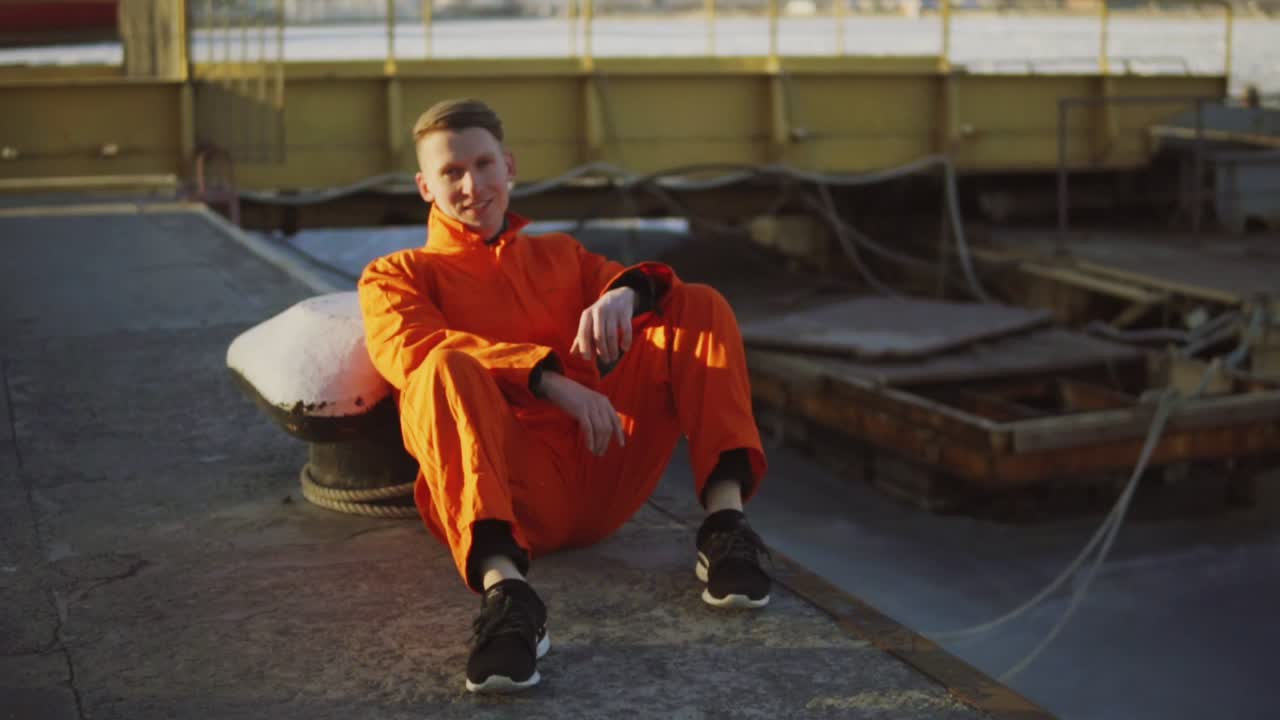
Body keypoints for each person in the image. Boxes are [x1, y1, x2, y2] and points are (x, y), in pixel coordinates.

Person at [357, 98, 771, 694]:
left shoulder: (561, 255)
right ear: (425, 186)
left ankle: (726, 524)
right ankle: (508, 596)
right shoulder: (395, 275)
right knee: (441, 367)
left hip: (604, 468)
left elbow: (655, 290)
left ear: (510, 167)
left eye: (483, 164)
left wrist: (625, 293)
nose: (472, 184)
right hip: (510, 493)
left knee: (697, 303)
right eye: (451, 172)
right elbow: (411, 351)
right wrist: (551, 382)